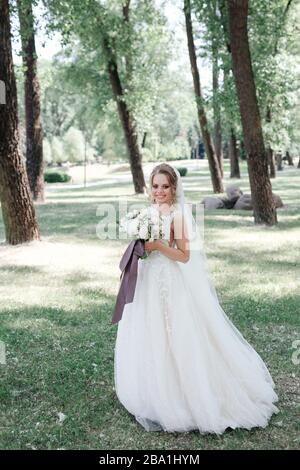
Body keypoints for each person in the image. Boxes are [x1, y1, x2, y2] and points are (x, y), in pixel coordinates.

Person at [113, 163, 278, 434]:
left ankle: (185, 392)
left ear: (174, 188)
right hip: (148, 279)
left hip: (169, 279)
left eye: (165, 186)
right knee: (151, 332)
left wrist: (156, 246)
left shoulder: (177, 215)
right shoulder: (147, 213)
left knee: (176, 332)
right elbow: (144, 243)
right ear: (150, 188)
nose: (160, 191)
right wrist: (140, 244)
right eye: (155, 186)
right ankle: (152, 389)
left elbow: (184, 255)